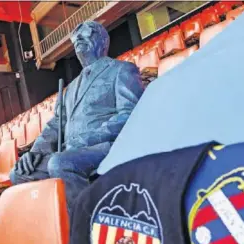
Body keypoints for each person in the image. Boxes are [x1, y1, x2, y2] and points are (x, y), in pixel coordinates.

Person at [9, 21, 144, 215]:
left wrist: (87, 139)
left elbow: (130, 113)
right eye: (75, 39)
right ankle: (56, 226)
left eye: (86, 35)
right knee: (20, 172)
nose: (78, 39)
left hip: (105, 146)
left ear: (103, 41)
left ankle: (86, 228)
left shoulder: (121, 70)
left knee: (60, 163)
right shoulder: (70, 88)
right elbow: (56, 125)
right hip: (70, 151)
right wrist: (35, 151)